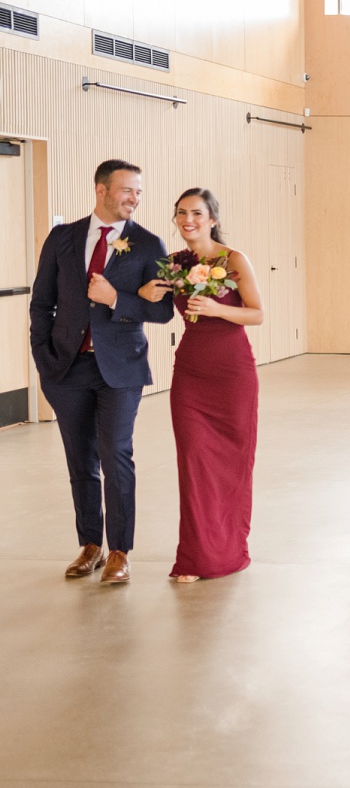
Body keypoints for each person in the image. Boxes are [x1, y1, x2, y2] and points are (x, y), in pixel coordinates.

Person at [30, 159, 175, 584]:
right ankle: (90, 545)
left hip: (121, 369)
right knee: (80, 460)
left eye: (139, 192)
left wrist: (117, 299)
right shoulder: (63, 238)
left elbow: (163, 311)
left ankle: (119, 552)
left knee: (116, 455)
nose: (135, 199)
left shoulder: (148, 244)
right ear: (102, 190)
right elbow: (42, 302)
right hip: (66, 368)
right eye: (128, 190)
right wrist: (43, 357)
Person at [152, 189, 263, 582]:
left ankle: (227, 550)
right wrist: (143, 293)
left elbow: (257, 314)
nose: (189, 220)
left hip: (232, 374)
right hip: (191, 374)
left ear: (212, 219)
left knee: (232, 465)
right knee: (194, 463)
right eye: (181, 213)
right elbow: (156, 307)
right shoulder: (173, 264)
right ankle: (196, 557)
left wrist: (217, 309)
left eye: (197, 213)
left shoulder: (234, 260)